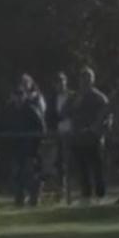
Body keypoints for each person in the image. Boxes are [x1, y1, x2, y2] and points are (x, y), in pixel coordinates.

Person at [70, 67, 111, 205]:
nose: (85, 81)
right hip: (78, 139)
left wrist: (96, 131)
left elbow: (107, 117)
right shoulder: (76, 96)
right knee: (82, 170)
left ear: (92, 80)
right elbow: (64, 112)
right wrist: (75, 103)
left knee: (97, 169)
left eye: (88, 78)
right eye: (83, 78)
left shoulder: (99, 97)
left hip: (94, 139)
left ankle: (100, 197)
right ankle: (86, 197)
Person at [7, 76, 47, 207]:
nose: (18, 97)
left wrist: (36, 144)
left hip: (30, 148)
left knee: (30, 174)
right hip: (16, 148)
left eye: (21, 94)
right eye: (16, 94)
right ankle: (19, 199)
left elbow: (41, 127)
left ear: (25, 95)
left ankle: (34, 198)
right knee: (17, 175)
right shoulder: (11, 110)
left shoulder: (31, 109)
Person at [46, 72, 74, 203]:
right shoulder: (52, 99)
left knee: (73, 162)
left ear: (66, 82)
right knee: (59, 163)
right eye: (58, 82)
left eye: (62, 81)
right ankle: (61, 191)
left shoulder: (72, 96)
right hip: (59, 133)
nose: (60, 84)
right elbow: (49, 116)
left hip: (72, 133)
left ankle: (74, 191)